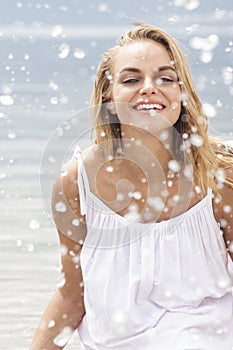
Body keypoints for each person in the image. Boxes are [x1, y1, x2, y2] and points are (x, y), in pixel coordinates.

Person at [30, 24, 233, 350]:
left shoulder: (218, 174)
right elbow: (72, 294)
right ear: (109, 95)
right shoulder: (76, 183)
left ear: (182, 92)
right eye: (131, 79)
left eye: (165, 78)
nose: (150, 88)